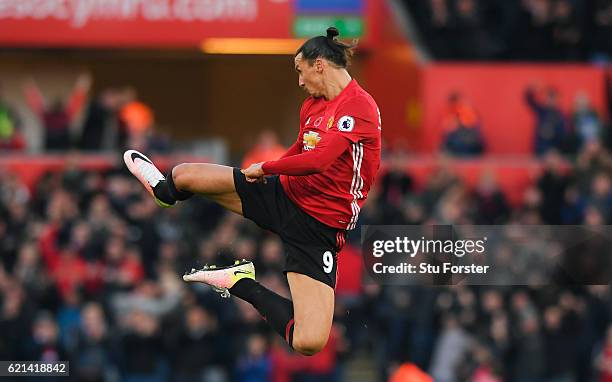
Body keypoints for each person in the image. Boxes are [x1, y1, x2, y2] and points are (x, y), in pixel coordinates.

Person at [123, 27, 381, 356]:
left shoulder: (359, 107)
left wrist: (266, 167)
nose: (300, 82)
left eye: (300, 72)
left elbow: (319, 160)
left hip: (319, 228)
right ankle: (164, 192)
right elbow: (301, 148)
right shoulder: (312, 106)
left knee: (309, 342)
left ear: (319, 65)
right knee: (184, 175)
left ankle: (239, 282)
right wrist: (267, 171)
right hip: (284, 195)